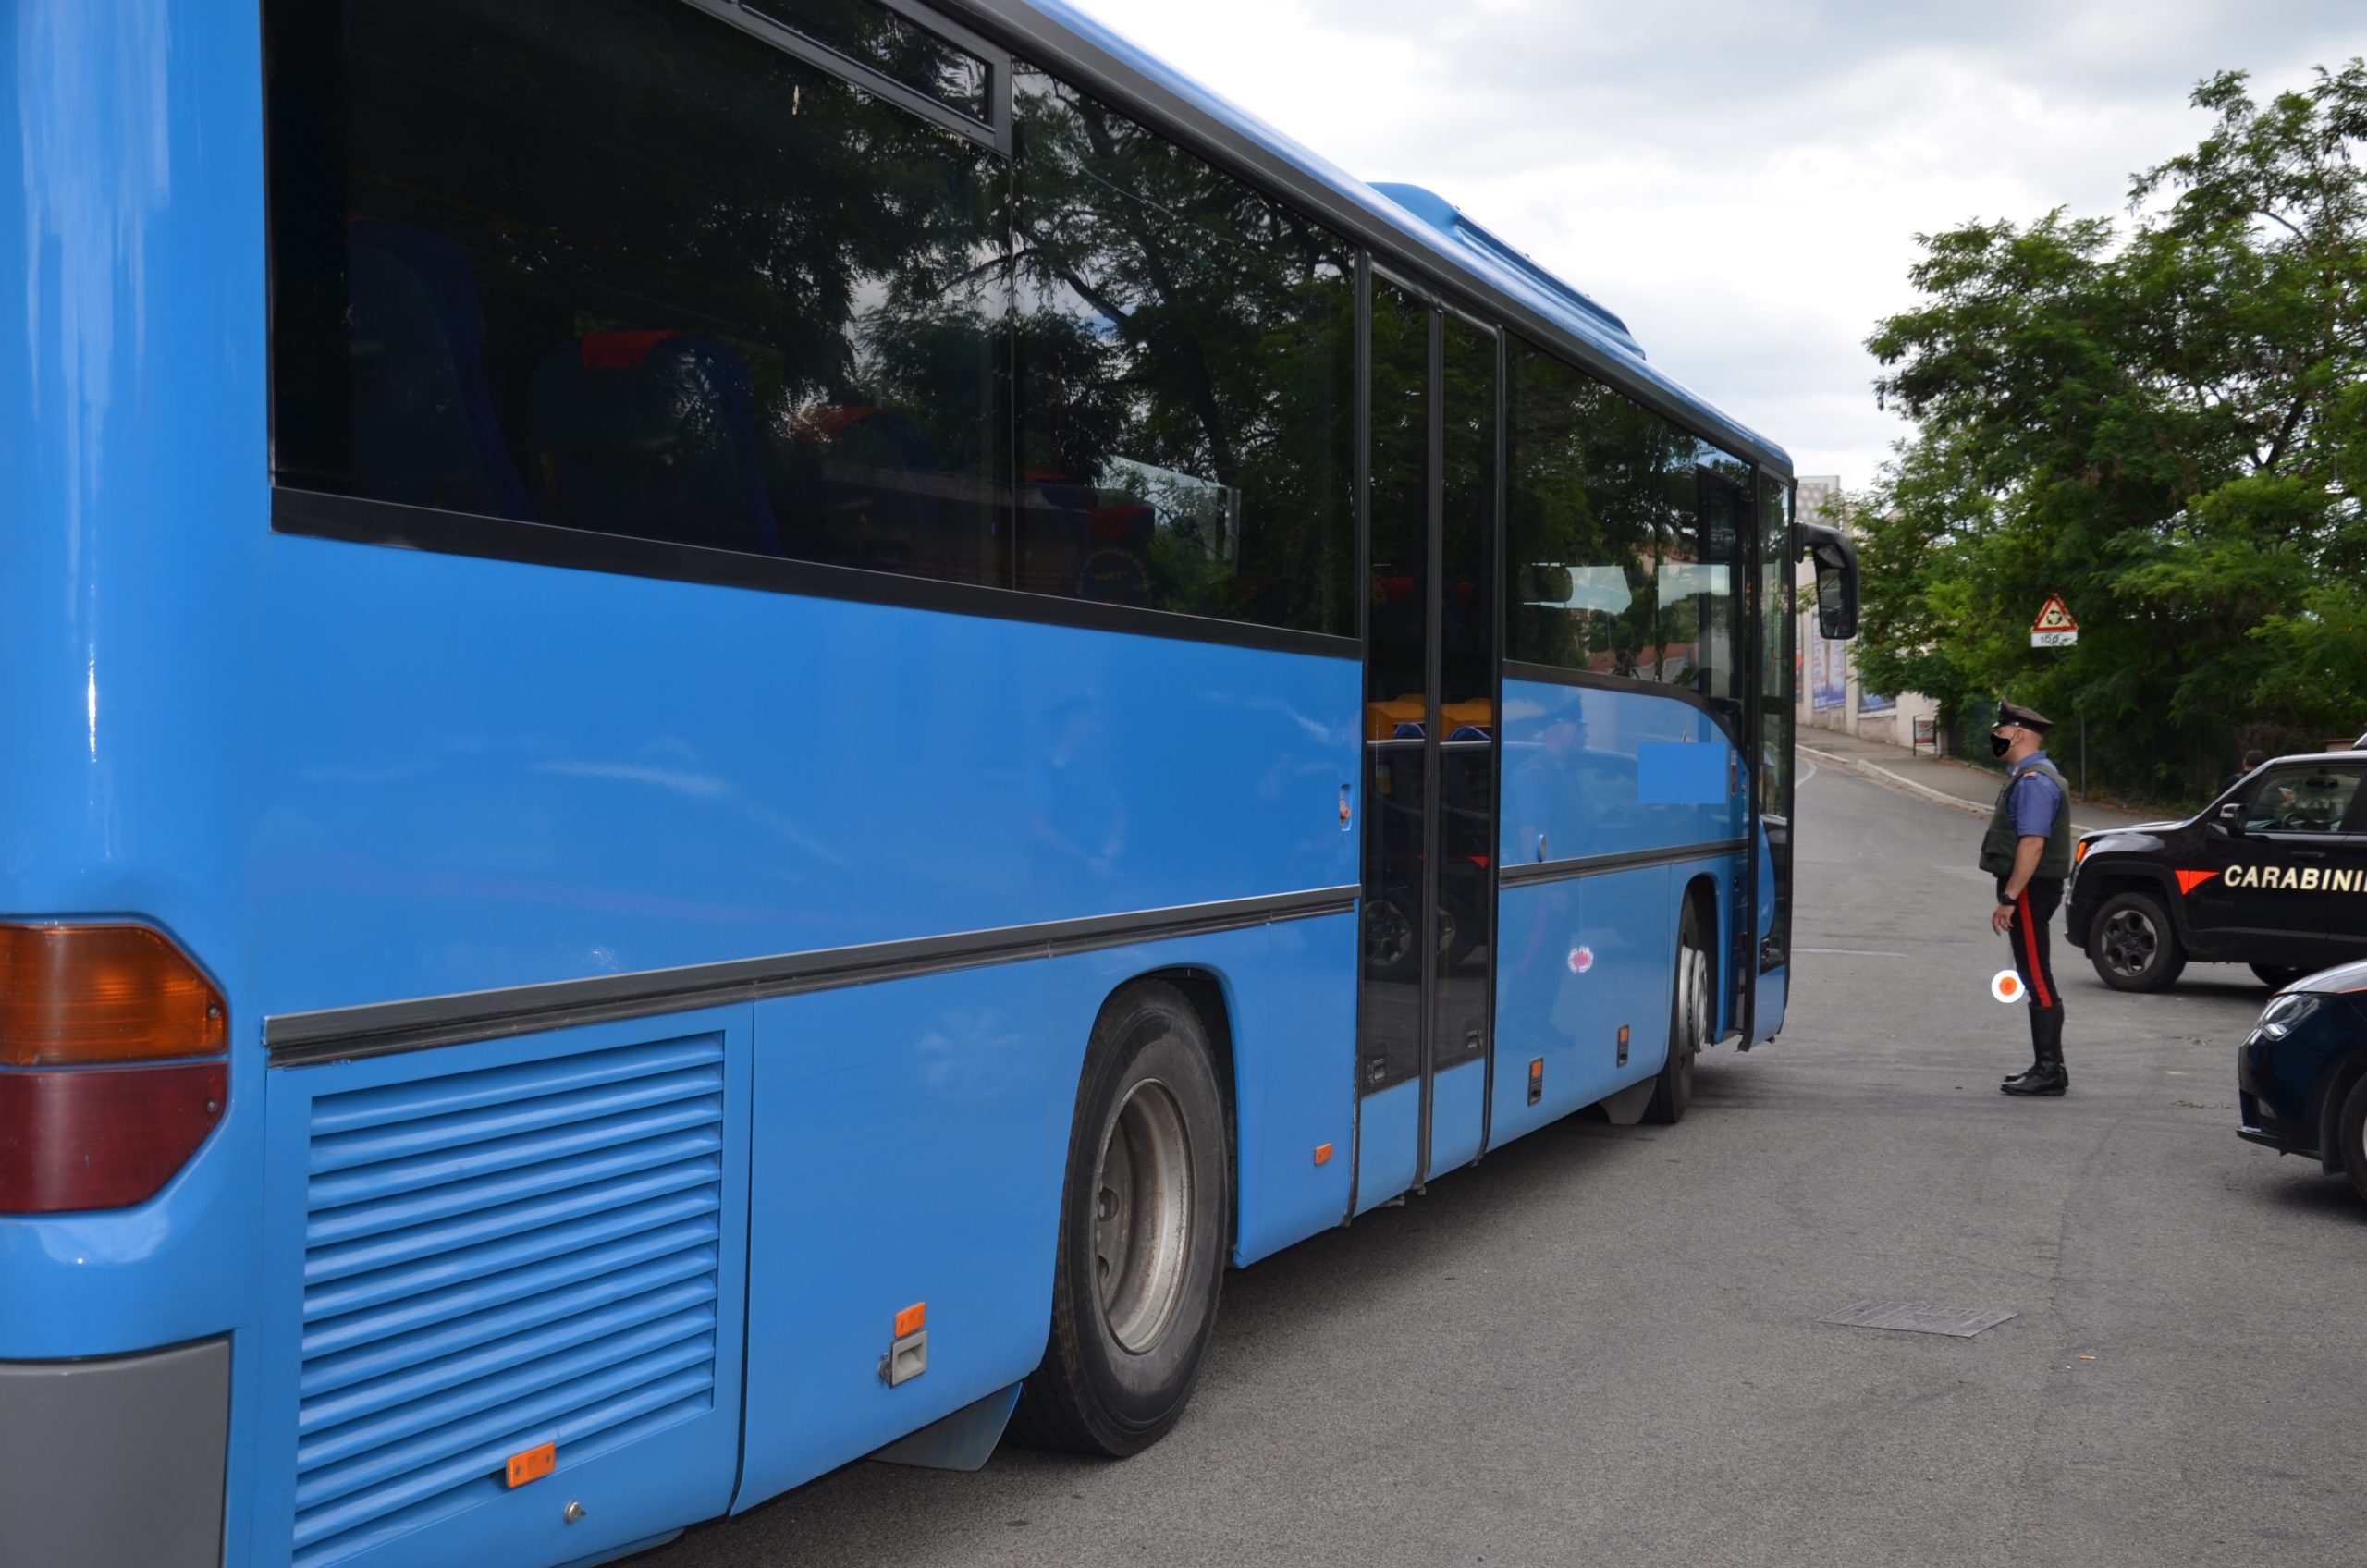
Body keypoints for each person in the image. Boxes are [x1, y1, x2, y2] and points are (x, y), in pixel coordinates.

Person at [1981, 699, 2073, 1096]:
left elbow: (2033, 844)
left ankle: (2050, 1070)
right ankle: (2049, 1067)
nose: (1995, 738)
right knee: (2034, 972)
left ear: (2017, 734)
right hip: (2031, 890)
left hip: (2030, 891)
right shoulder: (2029, 775)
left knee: (2036, 974)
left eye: (2000, 732)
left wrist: (2009, 897)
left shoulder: (2035, 781)